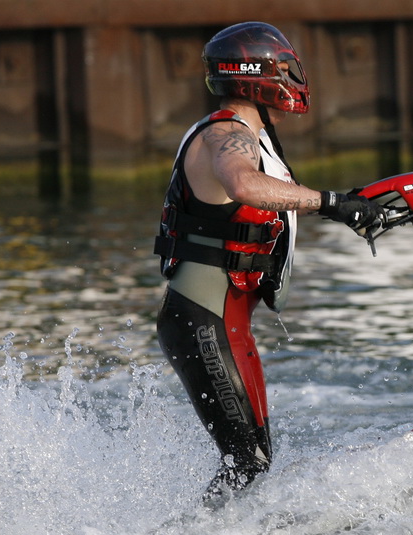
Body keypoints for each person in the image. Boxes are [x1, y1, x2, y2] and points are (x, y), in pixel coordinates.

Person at [153, 21, 384, 506]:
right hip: (204, 320)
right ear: (255, 76)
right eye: (284, 68)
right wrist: (330, 202)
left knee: (253, 461)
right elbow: (243, 185)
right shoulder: (227, 136)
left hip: (226, 322)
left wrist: (350, 208)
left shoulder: (255, 136)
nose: (294, 77)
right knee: (247, 464)